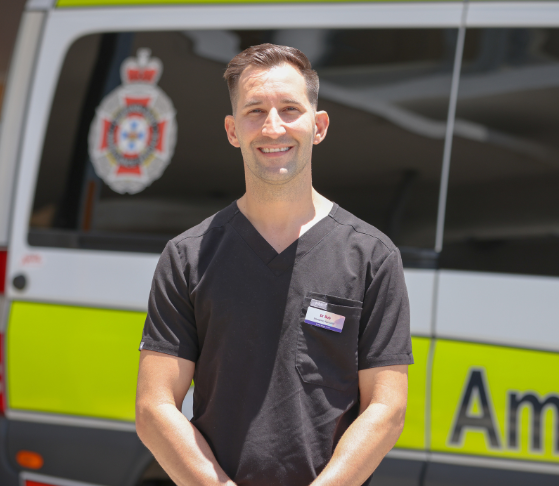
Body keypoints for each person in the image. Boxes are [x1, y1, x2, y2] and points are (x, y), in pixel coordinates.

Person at [135, 43, 413, 486]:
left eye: (289, 108)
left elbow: (387, 408)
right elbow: (154, 408)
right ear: (232, 130)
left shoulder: (372, 257)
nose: (273, 126)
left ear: (318, 125)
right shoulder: (187, 256)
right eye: (254, 111)